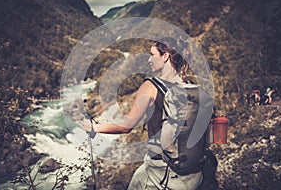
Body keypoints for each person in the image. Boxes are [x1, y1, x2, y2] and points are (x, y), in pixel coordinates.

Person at [82, 40, 204, 189]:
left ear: (165, 56)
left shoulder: (151, 86)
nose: (149, 59)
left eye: (152, 54)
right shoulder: (190, 86)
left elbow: (126, 126)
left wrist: (95, 128)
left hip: (160, 168)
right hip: (192, 170)